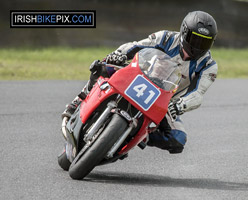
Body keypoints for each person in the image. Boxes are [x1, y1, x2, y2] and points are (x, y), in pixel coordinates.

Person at [62, 11, 218, 154]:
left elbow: (198, 94)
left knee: (178, 140)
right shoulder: (166, 37)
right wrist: (119, 54)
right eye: (195, 39)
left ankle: (140, 135)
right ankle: (78, 101)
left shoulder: (208, 66)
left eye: (204, 43)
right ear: (184, 32)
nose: (197, 46)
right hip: (137, 77)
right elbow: (137, 45)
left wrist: (180, 105)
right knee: (101, 67)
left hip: (164, 102)